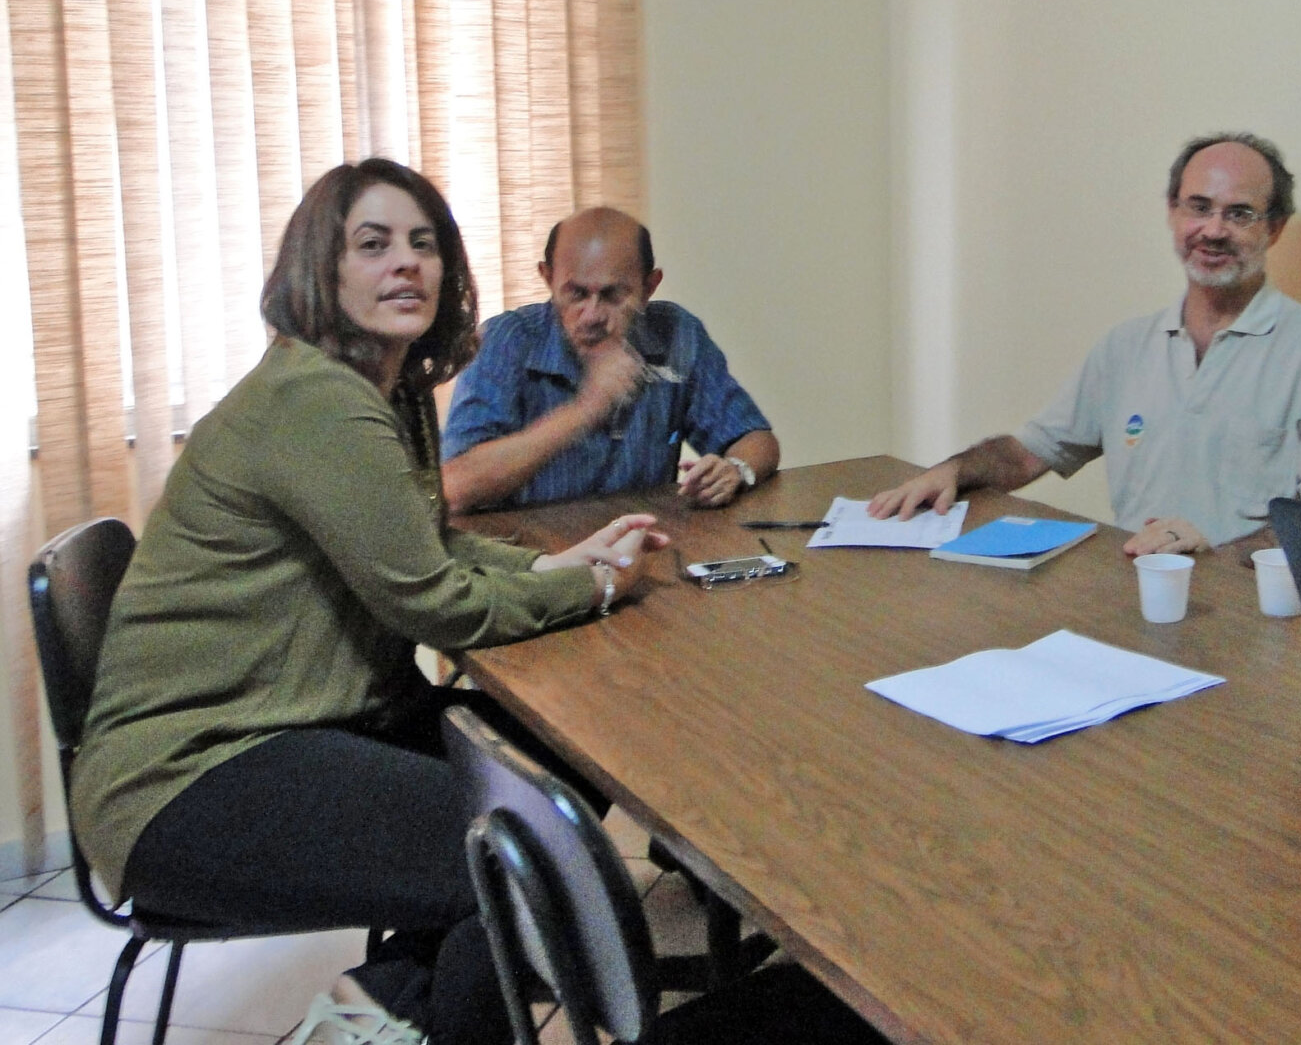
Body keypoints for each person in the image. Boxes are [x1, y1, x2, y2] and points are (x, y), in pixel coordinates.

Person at [69, 160, 670, 1045]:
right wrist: (597, 585)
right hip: (190, 773)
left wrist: (552, 569)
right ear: (325, 267)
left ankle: (380, 1006)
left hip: (303, 723)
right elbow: (436, 603)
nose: (407, 265)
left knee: (559, 753)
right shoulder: (316, 400)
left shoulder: (381, 394)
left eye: (424, 244)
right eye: (374, 244)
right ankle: (395, 1009)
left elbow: (424, 542)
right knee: (521, 862)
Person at [870, 132, 1301, 554]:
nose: (1213, 230)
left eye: (1239, 214)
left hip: (1253, 613)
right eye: (1198, 207)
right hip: (1135, 593)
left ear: (1276, 229)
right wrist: (953, 471)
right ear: (1173, 214)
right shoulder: (1126, 347)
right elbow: (1029, 453)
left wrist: (1215, 553)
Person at [441, 207, 778, 514]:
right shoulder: (505, 342)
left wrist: (735, 470)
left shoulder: (677, 334)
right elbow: (454, 488)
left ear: (649, 287)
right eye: (576, 293)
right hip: (534, 559)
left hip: (643, 546)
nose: (592, 315)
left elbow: (757, 440)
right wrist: (586, 408)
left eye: (613, 295)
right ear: (547, 278)